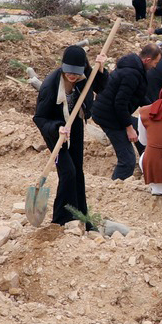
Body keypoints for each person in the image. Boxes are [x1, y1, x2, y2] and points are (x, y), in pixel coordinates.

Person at [33, 44, 95, 227]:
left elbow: (101, 84)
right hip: (55, 130)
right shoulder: (50, 86)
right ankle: (61, 219)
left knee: (78, 172)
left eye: (76, 72)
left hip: (74, 126)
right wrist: (57, 128)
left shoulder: (85, 77)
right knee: (68, 171)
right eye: (69, 72)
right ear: (62, 67)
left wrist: (102, 68)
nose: (73, 76)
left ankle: (81, 216)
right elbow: (39, 118)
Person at [99, 50, 148, 180]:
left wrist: (156, 107)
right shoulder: (131, 74)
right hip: (109, 117)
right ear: (147, 60)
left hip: (113, 112)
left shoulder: (134, 69)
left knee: (142, 128)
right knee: (128, 161)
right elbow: (120, 104)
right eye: (156, 62)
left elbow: (138, 96)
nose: (156, 66)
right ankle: (115, 188)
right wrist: (129, 128)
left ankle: (147, 162)